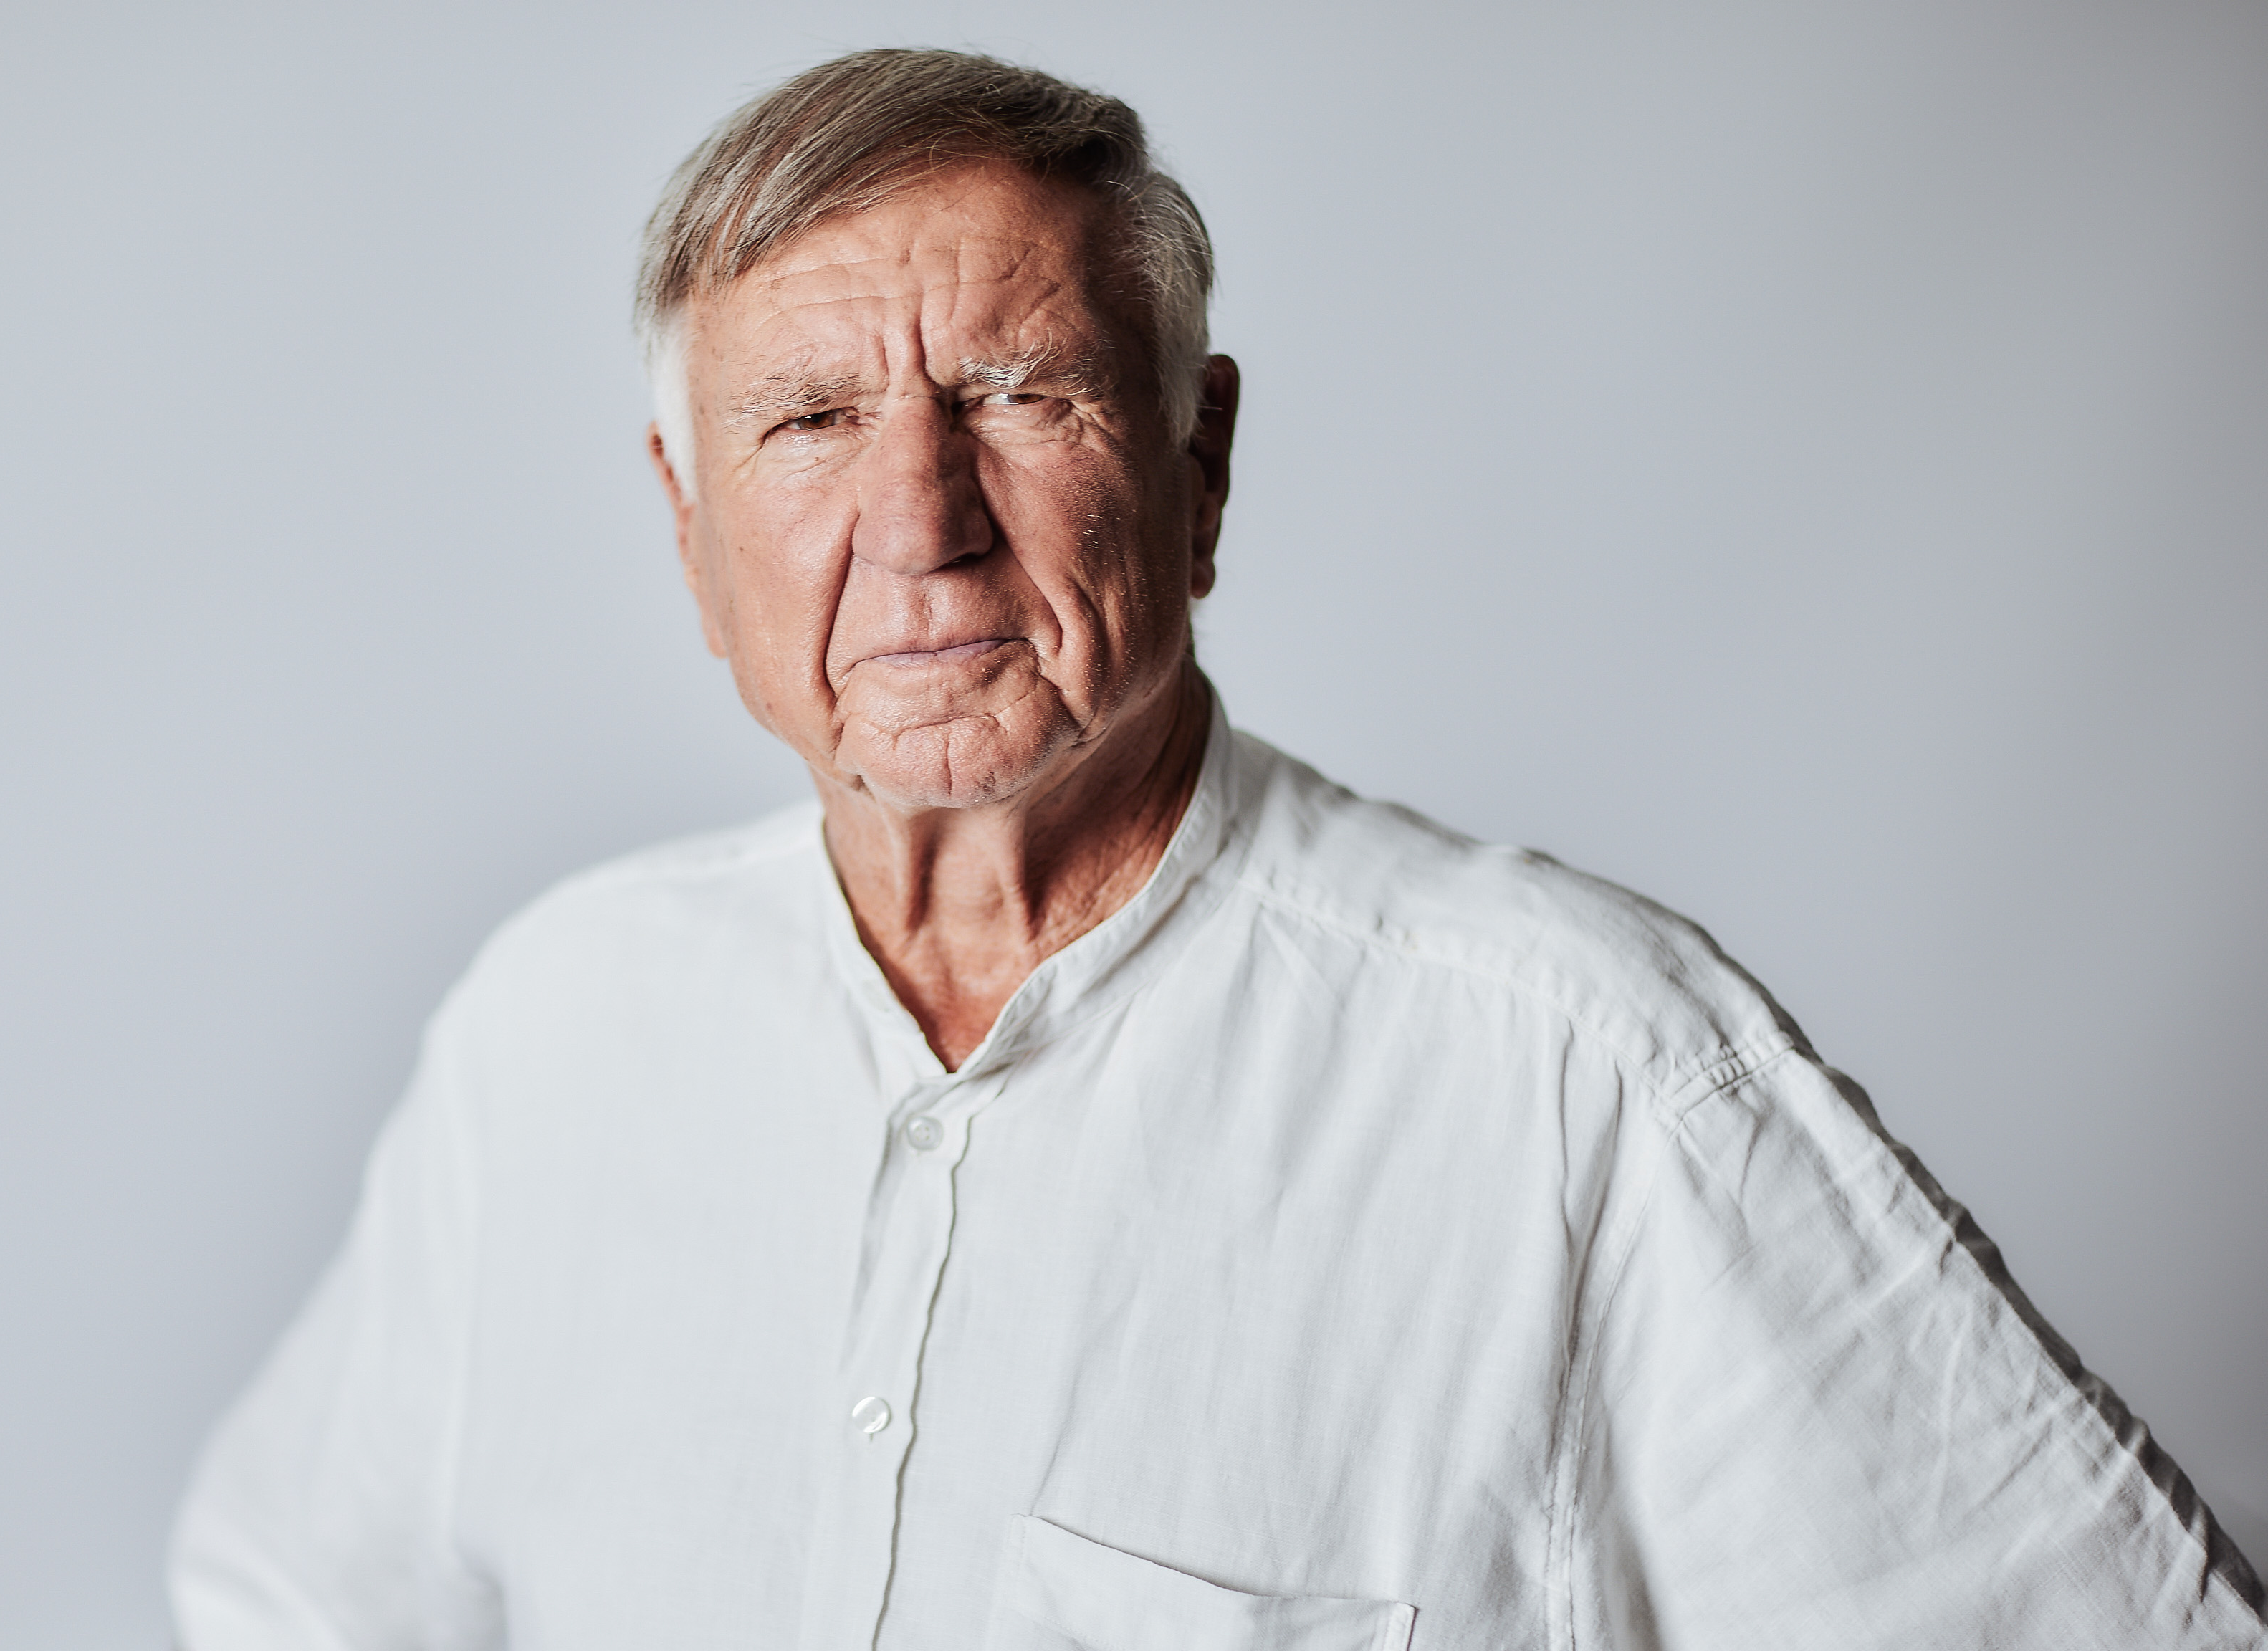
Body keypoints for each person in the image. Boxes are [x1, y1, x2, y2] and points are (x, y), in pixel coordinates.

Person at [168, 48, 2263, 1650]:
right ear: (687, 529)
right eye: (808, 423)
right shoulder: (555, 1030)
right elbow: (289, 1597)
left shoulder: (1589, 1073)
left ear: (1203, 464)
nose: (921, 524)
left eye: (1021, 395)